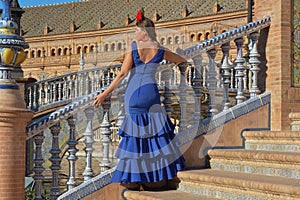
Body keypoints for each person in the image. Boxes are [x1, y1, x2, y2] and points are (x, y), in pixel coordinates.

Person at [94, 9, 186, 191]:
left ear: (143, 33)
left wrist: (105, 93)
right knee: (153, 136)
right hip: (151, 95)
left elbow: (122, 73)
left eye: (136, 30)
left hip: (134, 95)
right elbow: (181, 60)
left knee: (136, 138)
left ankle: (134, 178)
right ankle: (155, 178)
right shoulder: (159, 49)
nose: (134, 33)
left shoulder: (134, 47)